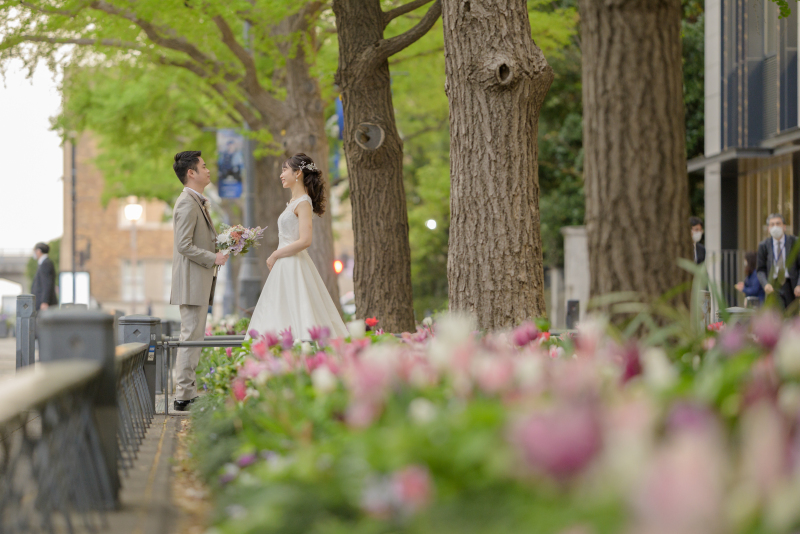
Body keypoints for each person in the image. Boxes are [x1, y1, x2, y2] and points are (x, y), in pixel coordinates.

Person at [246, 154, 348, 341]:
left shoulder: (303, 203)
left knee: (299, 310)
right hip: (285, 266)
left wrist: (275, 254)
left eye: (285, 170)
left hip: (293, 264)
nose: (281, 175)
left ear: (298, 173)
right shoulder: (293, 202)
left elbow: (305, 240)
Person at [169, 151, 228, 411]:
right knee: (190, 337)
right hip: (192, 282)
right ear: (191, 173)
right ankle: (183, 395)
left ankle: (187, 392)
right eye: (204, 166)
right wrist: (213, 257)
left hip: (198, 281)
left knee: (194, 337)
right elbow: (183, 245)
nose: (208, 170)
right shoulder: (186, 202)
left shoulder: (196, 201)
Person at [756, 213, 800, 309]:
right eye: (772, 224)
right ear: (768, 228)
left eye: (778, 223)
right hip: (773, 287)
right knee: (776, 319)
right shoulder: (764, 246)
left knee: (792, 319)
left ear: (784, 227)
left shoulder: (795, 242)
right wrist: (765, 284)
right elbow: (760, 270)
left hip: (791, 286)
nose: (775, 227)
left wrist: (799, 284)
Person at [31, 242, 58, 311]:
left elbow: (46, 283)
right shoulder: (43, 263)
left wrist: (45, 301)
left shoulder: (45, 263)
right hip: (41, 303)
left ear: (39, 251)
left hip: (43, 304)